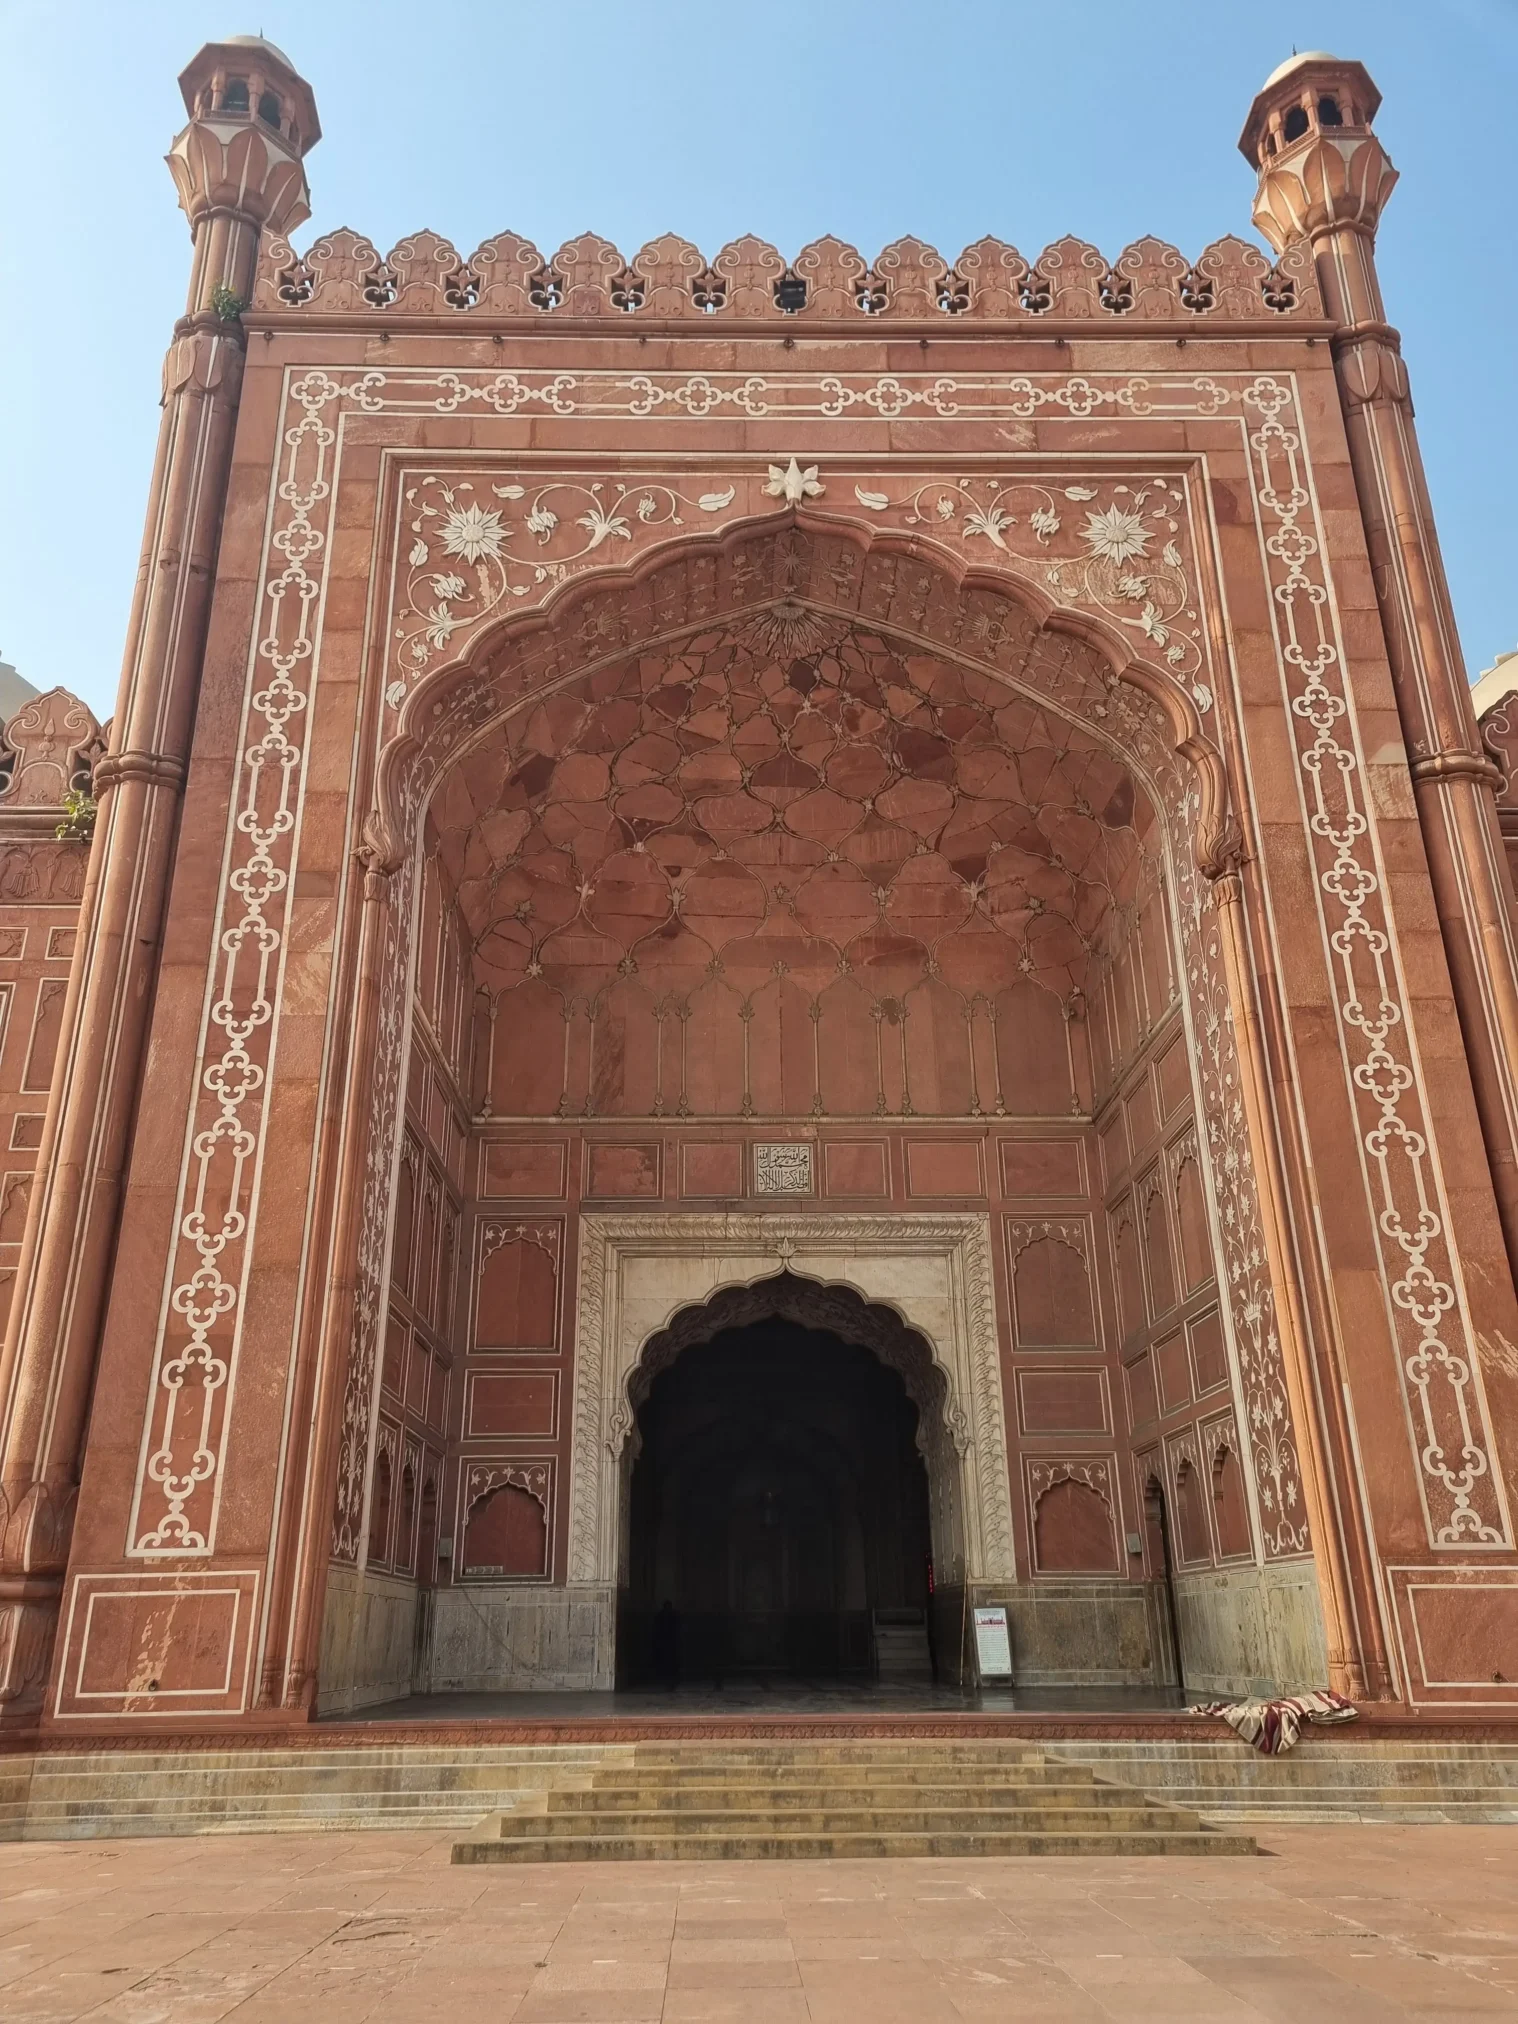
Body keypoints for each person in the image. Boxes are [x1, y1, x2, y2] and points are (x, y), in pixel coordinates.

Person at [651, 1599, 679, 1691]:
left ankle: (670, 1681)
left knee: (670, 1662)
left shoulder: (667, 1615)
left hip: (669, 1642)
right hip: (667, 1642)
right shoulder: (664, 1616)